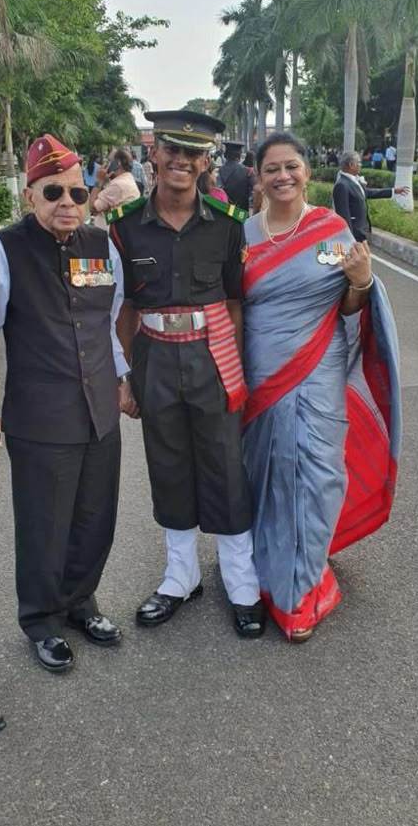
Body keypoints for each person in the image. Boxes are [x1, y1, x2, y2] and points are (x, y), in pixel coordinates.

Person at [0, 134, 135, 673]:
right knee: (44, 524)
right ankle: (40, 619)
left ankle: (81, 602)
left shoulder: (103, 247)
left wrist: (123, 377)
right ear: (29, 195)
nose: (67, 204)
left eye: (77, 194)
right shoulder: (2, 250)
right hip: (41, 415)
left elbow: (106, 323)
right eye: (52, 191)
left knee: (95, 518)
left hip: (99, 407)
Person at [111, 110, 265, 638]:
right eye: (171, 150)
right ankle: (180, 576)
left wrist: (236, 365)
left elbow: (236, 301)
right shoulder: (125, 226)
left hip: (214, 356)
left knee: (224, 464)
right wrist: (129, 374)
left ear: (206, 162)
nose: (181, 161)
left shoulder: (227, 226)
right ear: (153, 154)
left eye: (193, 153)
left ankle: (241, 580)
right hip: (154, 358)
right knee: (168, 464)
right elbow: (122, 309)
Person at [242, 132, 401, 642]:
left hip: (319, 369)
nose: (283, 176)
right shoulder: (241, 236)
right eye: (272, 169)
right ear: (259, 177)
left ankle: (303, 586)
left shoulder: (333, 231)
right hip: (261, 375)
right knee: (269, 474)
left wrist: (360, 280)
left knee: (319, 474)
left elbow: (350, 309)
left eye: (292, 166)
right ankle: (271, 572)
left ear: (307, 172)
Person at [332, 151, 408, 240]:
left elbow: (367, 193)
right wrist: (349, 238)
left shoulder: (353, 180)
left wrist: (392, 191)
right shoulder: (342, 184)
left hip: (361, 231)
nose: (360, 165)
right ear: (351, 165)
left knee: (364, 254)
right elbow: (343, 215)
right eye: (358, 163)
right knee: (362, 254)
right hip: (354, 234)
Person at [91, 148, 140, 229]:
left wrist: (98, 181)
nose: (106, 165)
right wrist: (105, 181)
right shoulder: (127, 179)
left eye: (109, 161)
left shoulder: (117, 185)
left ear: (117, 164)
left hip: (107, 234)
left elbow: (93, 208)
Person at [217, 141, 251, 210]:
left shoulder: (221, 170)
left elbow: (218, 188)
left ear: (225, 155)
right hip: (242, 212)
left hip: (226, 209)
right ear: (239, 155)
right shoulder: (247, 171)